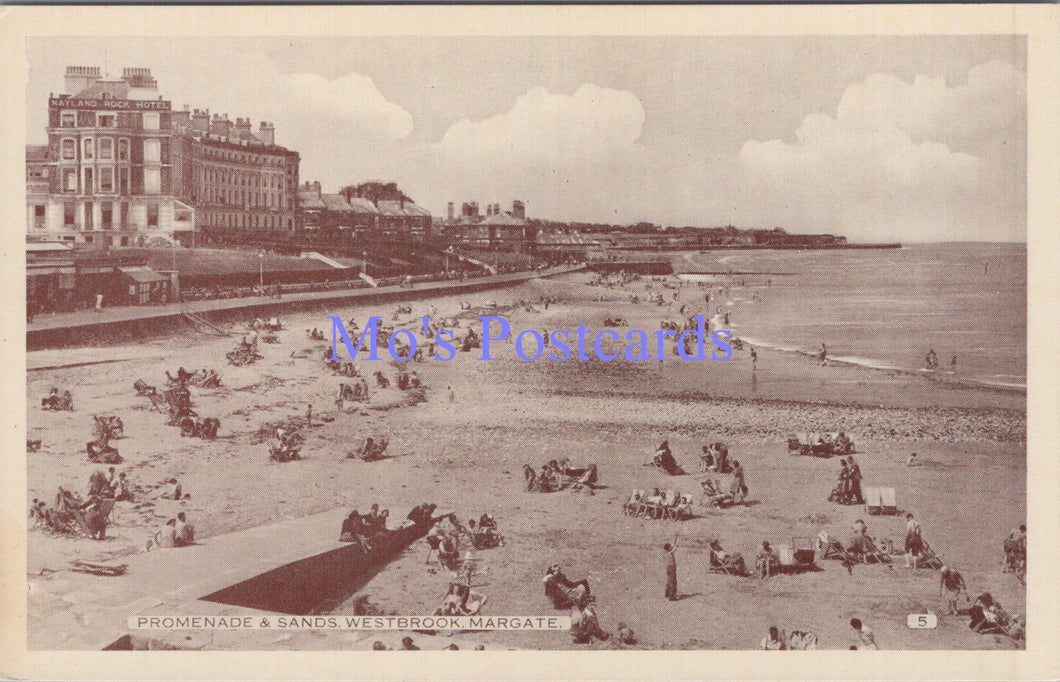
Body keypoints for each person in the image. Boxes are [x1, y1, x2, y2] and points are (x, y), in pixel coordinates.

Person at [664, 534, 680, 601]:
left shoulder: (667, 553)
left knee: (669, 580)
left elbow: (674, 544)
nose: (671, 546)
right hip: (671, 567)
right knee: (673, 581)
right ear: (668, 548)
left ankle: (667, 593)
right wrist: (678, 538)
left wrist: (676, 537)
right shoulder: (670, 553)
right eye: (670, 546)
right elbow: (676, 546)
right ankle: (672, 596)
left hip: (669, 567)